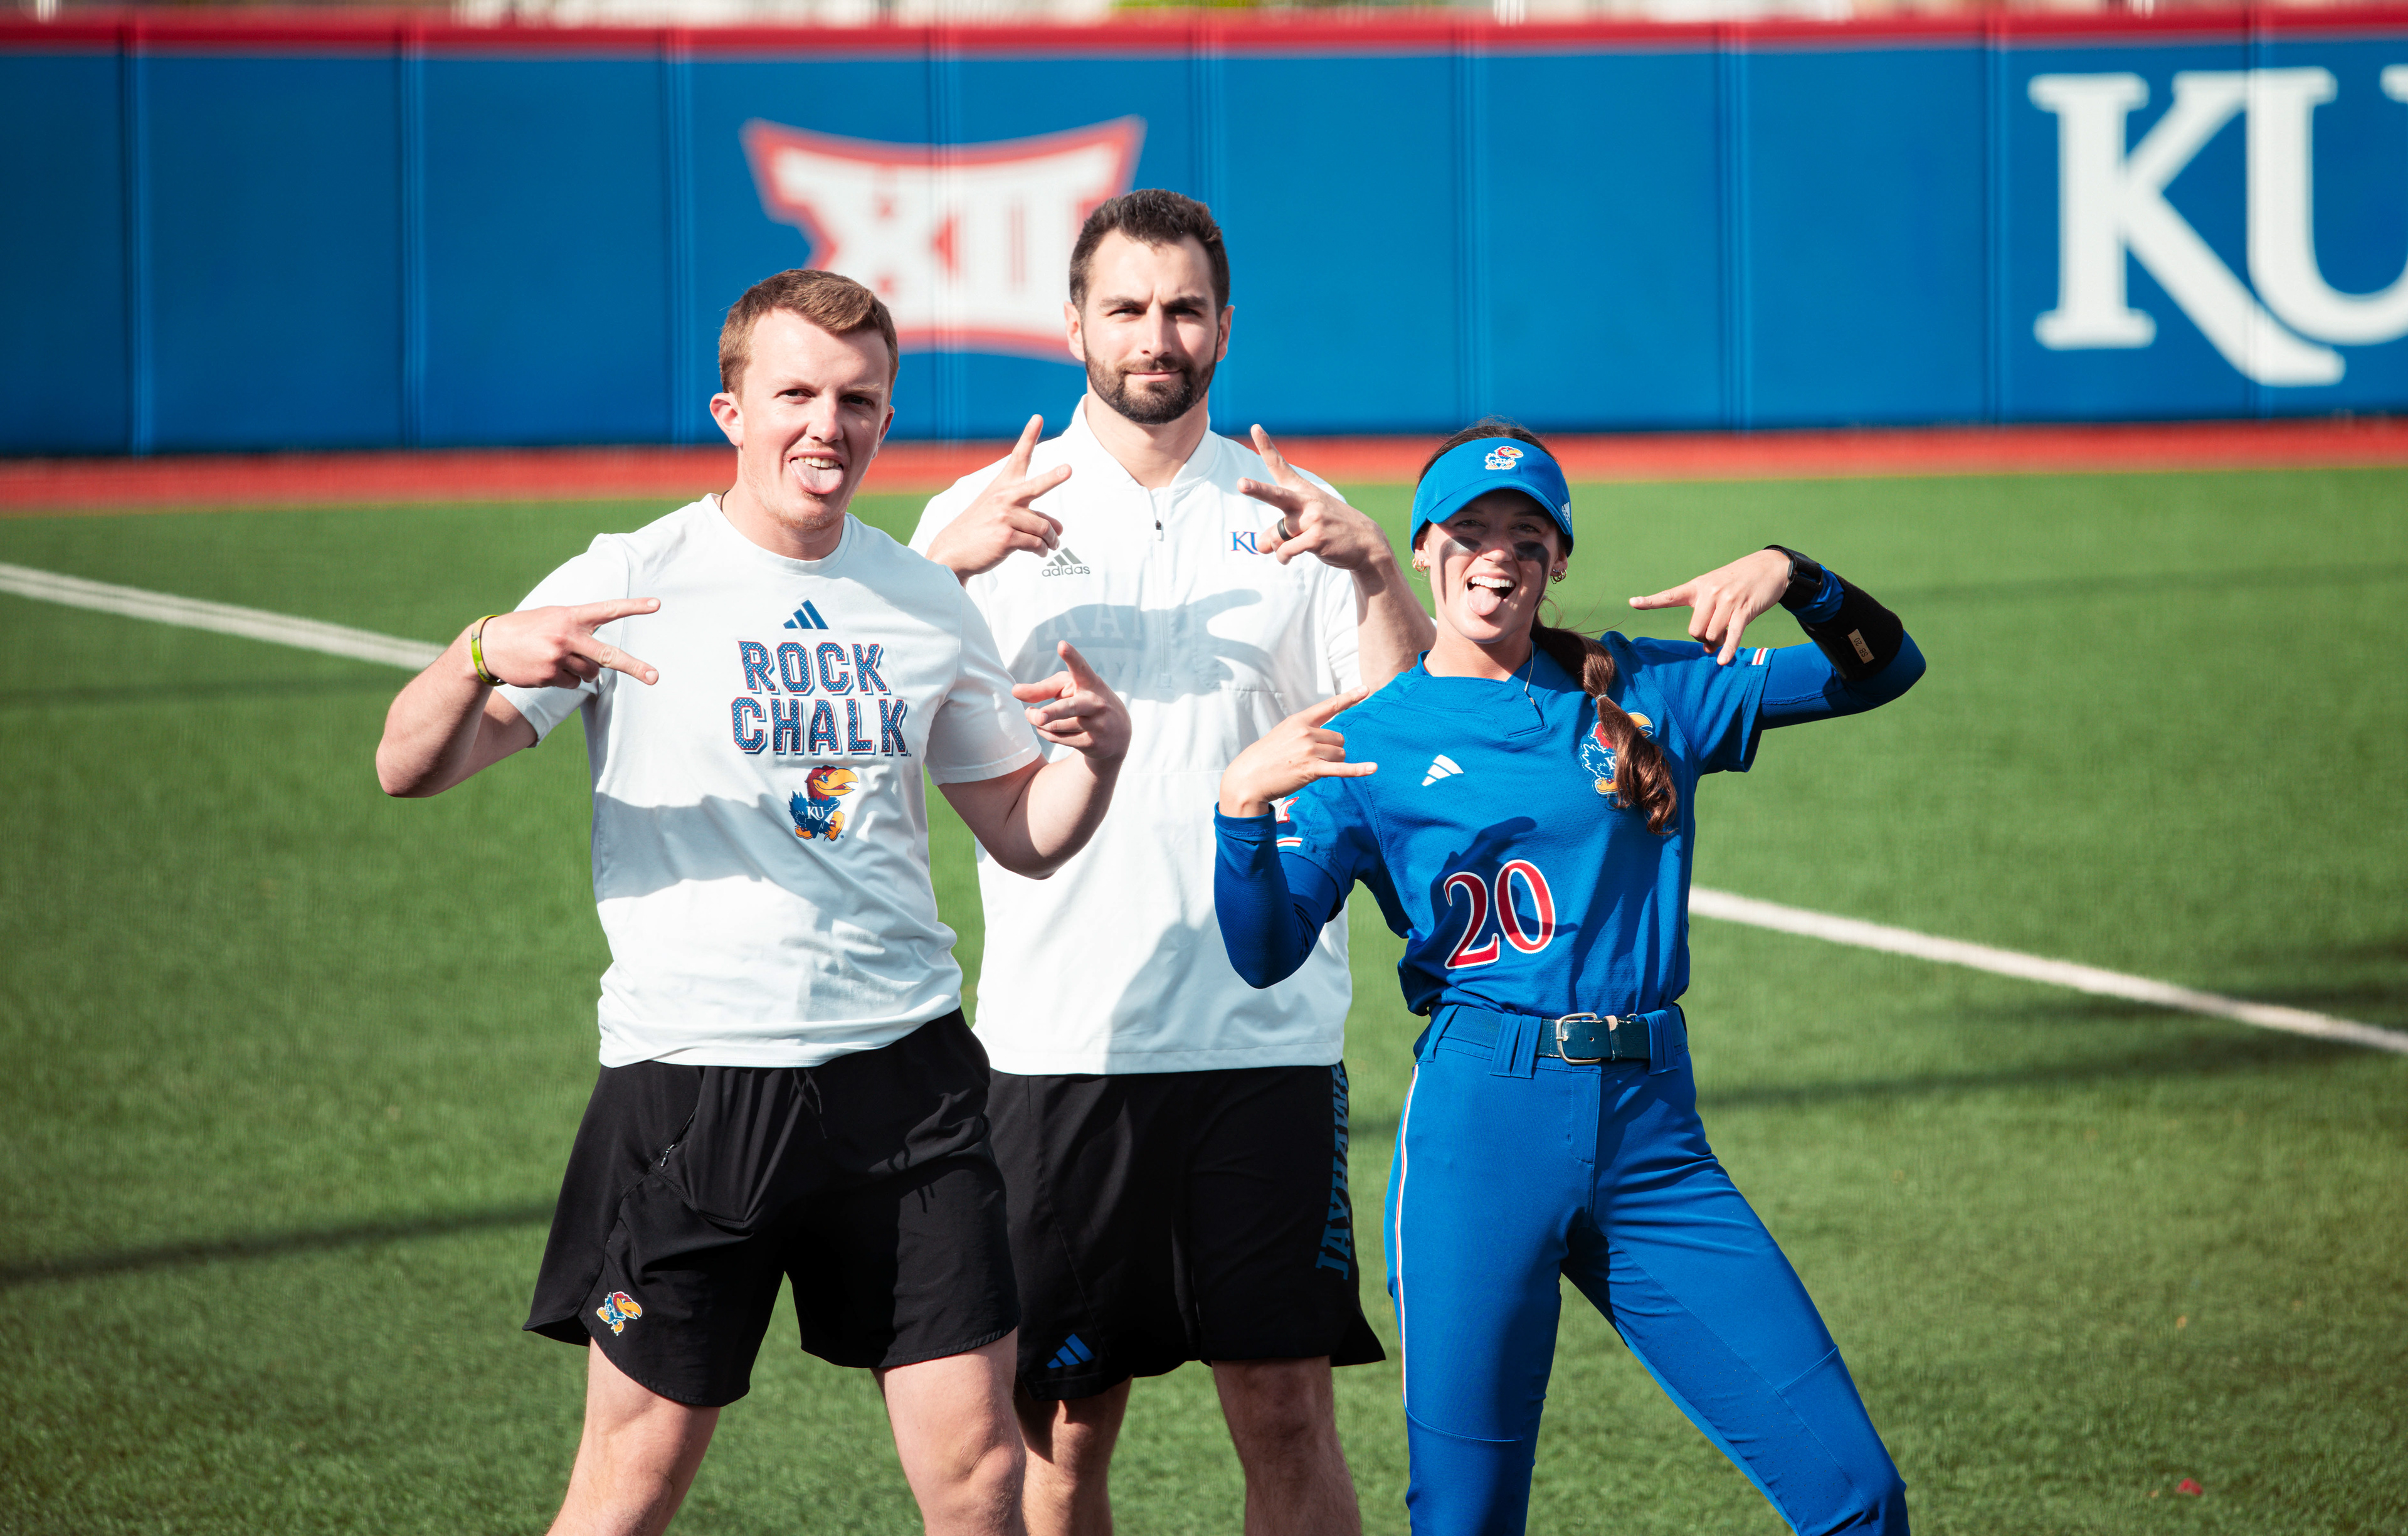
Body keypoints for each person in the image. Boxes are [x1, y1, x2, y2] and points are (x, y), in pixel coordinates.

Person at [374, 268, 1133, 1536]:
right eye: (796, 395)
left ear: (885, 416)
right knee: (631, 1480)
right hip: (695, 1083)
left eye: (858, 400)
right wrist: (477, 651)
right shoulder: (632, 574)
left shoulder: (924, 597)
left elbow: (1024, 832)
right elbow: (409, 765)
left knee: (983, 1474)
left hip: (907, 1083)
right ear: (731, 410)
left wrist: (1097, 760)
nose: (827, 427)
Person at [1212, 423, 1924, 1535]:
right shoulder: (1368, 743)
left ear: (1558, 559)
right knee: (1466, 1519)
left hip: (1655, 1139)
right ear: (1426, 546)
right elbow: (1263, 952)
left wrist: (1797, 575)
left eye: (1526, 535)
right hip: (1479, 1134)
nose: (1497, 555)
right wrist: (1240, 813)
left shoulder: (1645, 689)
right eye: (1470, 530)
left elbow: (1881, 671)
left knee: (1857, 1493)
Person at [908, 189, 1435, 1536]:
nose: (1158, 335)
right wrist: (936, 575)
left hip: (1266, 1037)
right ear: (1074, 322)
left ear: (1225, 327)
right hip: (1060, 1040)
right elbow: (873, 740)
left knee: (1287, 1408)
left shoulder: (1297, 514)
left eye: (1185, 309)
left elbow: (1408, 739)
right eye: (1129, 308)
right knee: (1062, 1429)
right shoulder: (975, 517)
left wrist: (1377, 571)